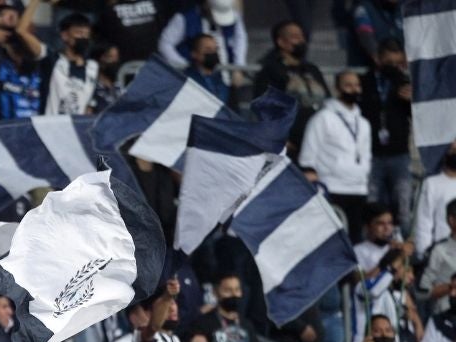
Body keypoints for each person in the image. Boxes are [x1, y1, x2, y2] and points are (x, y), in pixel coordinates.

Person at [299, 70, 372, 241]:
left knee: (355, 240)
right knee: (331, 240)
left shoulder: (363, 123)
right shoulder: (323, 118)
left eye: (356, 85)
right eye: (348, 85)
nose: (354, 90)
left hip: (358, 188)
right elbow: (308, 155)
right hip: (332, 187)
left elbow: (366, 154)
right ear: (337, 89)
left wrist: (364, 174)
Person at [359, 39, 413, 236]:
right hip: (371, 154)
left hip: (399, 154)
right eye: (389, 63)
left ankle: (405, 255)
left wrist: (411, 101)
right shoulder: (365, 81)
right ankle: (368, 252)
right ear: (378, 58)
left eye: (397, 63)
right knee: (372, 206)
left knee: (403, 207)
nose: (394, 68)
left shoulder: (405, 81)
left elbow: (419, 116)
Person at [252, 20, 330, 156]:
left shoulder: (312, 69)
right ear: (281, 42)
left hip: (320, 144)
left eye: (302, 36)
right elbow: (263, 107)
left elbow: (328, 101)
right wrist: (278, 138)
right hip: (290, 145)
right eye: (295, 37)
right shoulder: (271, 70)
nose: (301, 40)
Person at [157, 0, 247, 73]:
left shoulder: (234, 18)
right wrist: (182, 65)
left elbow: (240, 39)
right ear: (206, 5)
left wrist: (238, 67)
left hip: (225, 75)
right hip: (195, 78)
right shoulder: (185, 18)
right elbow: (165, 44)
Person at [42, 12, 98, 116]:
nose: (83, 38)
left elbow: (89, 107)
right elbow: (21, 32)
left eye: (86, 34)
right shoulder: (53, 60)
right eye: (79, 33)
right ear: (65, 35)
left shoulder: (93, 67)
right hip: (49, 125)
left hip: (76, 128)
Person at [415, 140, 456, 259]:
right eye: (452, 150)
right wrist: (424, 252)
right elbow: (423, 221)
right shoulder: (431, 183)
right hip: (442, 253)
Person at [419, 199, 456, 314]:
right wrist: (451, 287)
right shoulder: (438, 250)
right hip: (446, 316)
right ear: (452, 220)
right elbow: (422, 293)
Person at [183, 34, 228, 103]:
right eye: (208, 50)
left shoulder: (221, 81)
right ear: (194, 54)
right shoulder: (185, 79)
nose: (213, 53)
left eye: (215, 49)